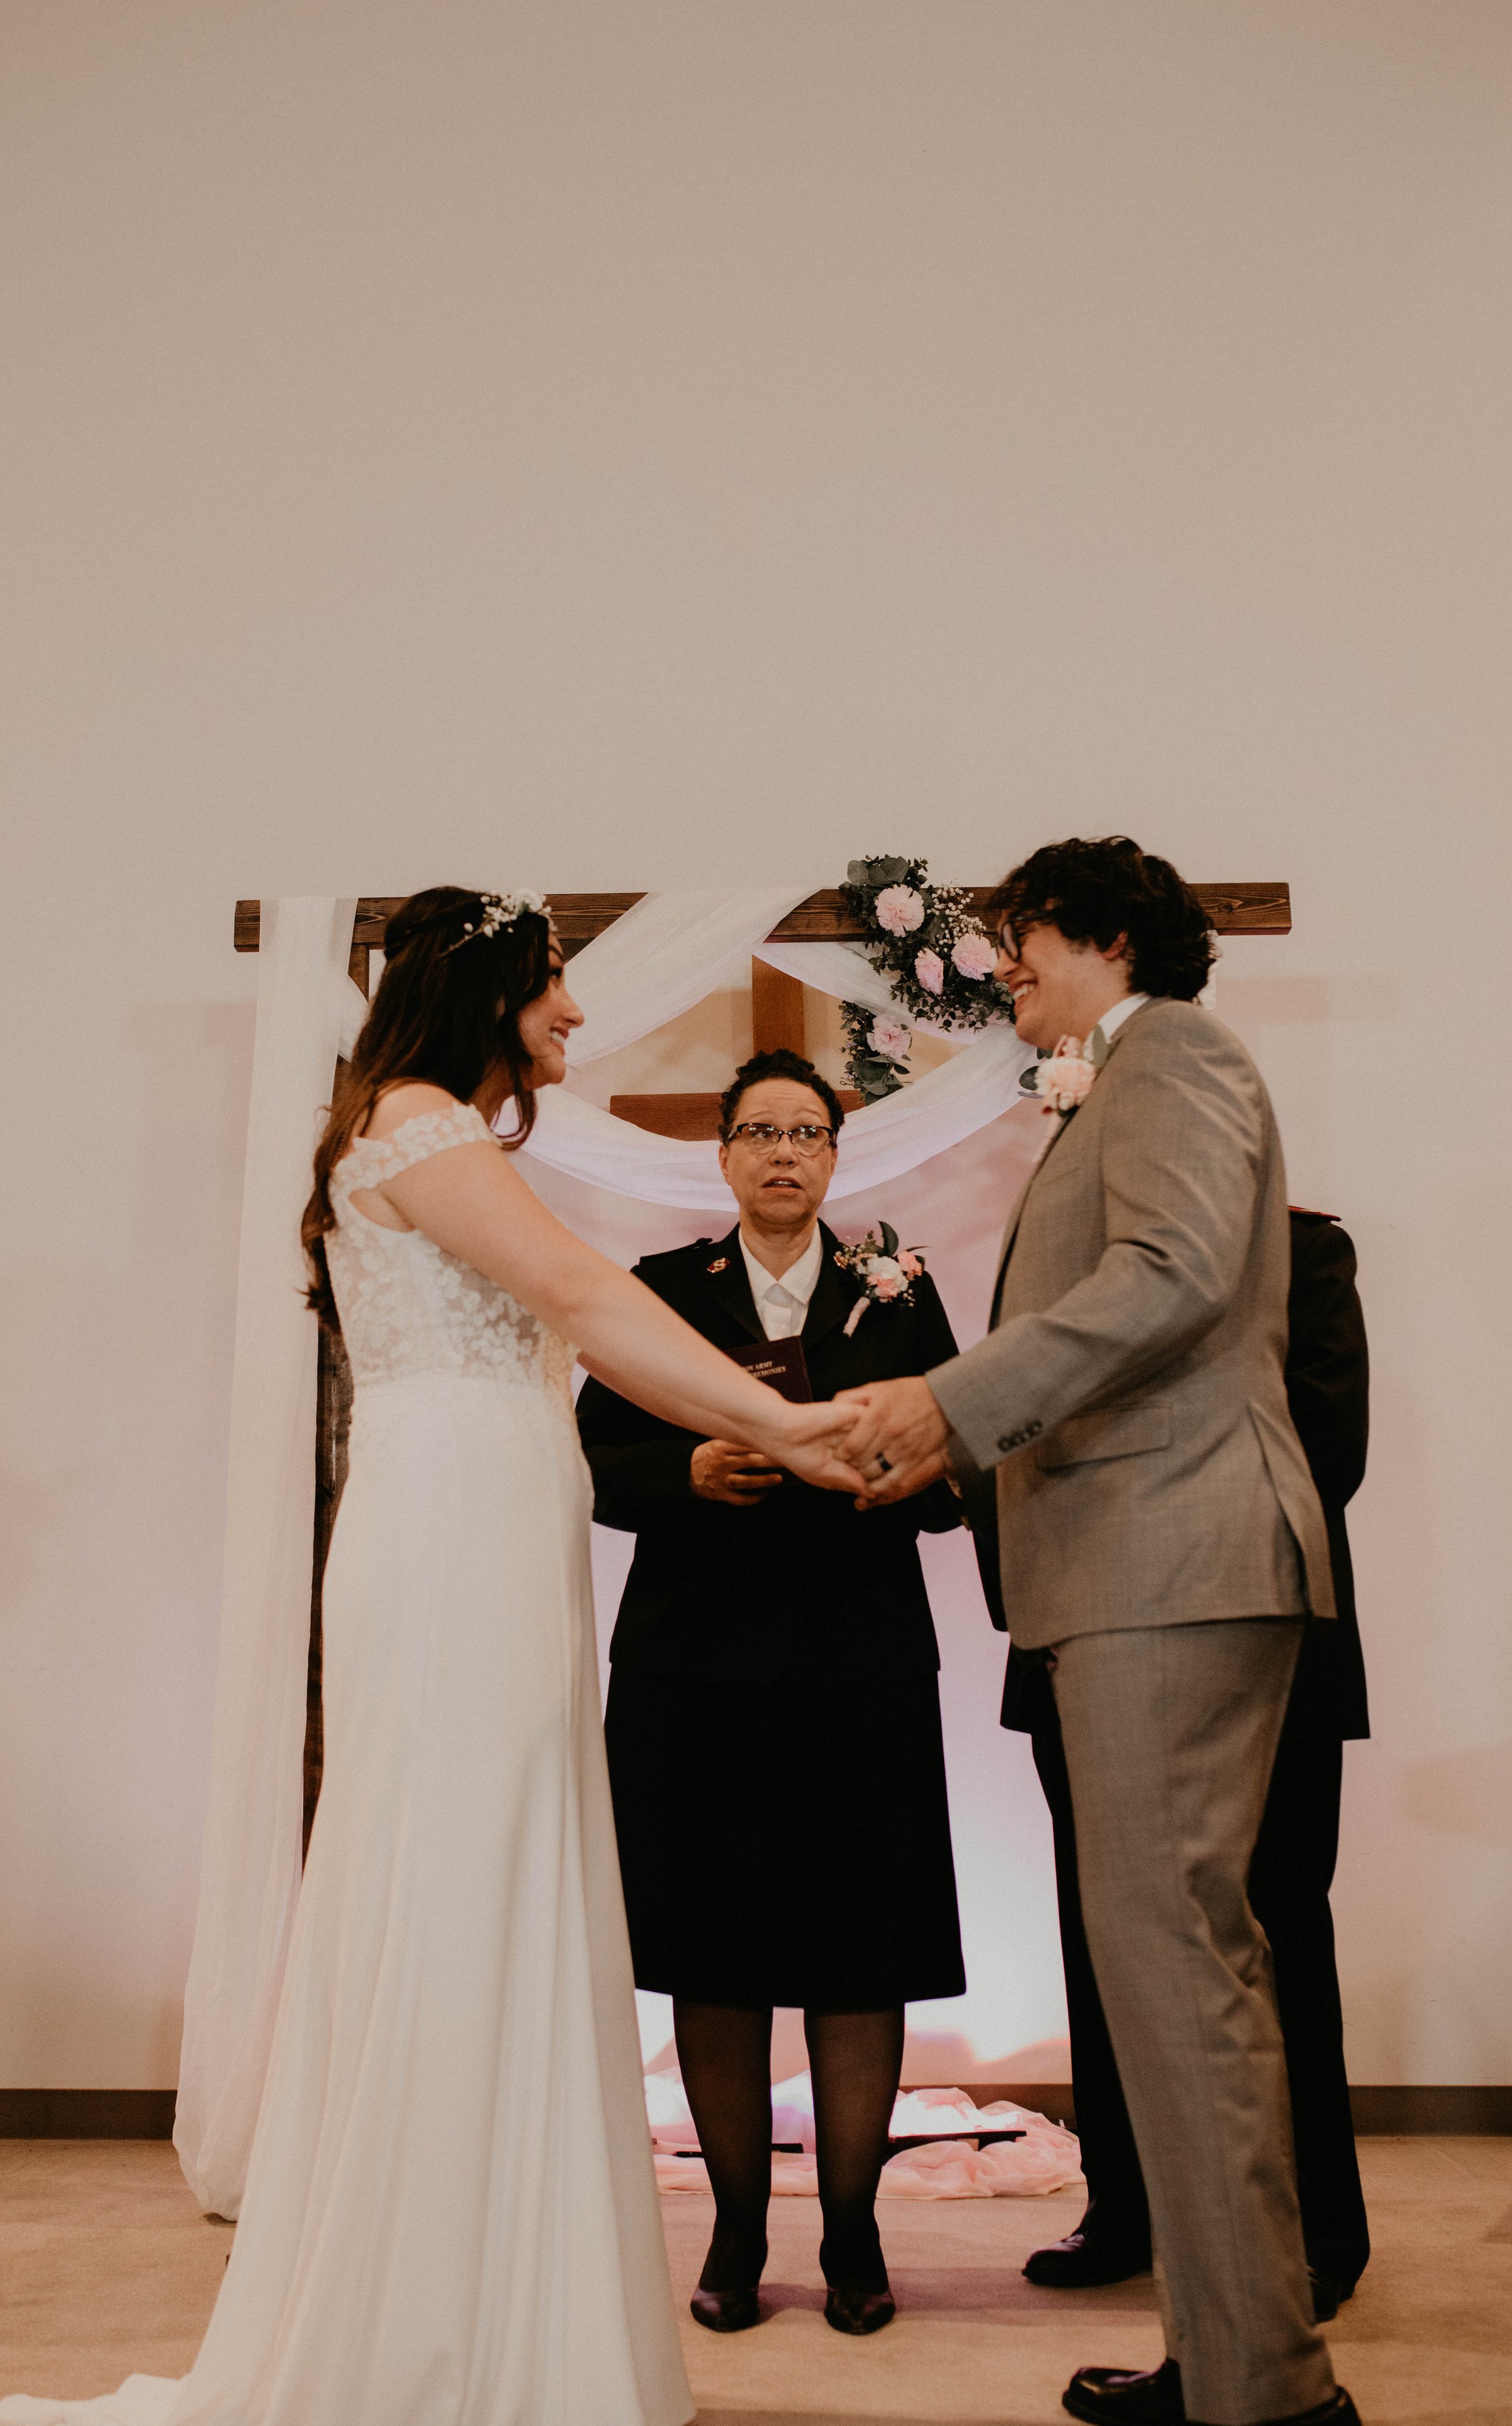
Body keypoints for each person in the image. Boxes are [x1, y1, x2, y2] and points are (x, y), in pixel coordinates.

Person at [0, 890, 860, 2426]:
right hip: (455, 1540)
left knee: (503, 1868)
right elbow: (588, 1302)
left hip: (485, 1530)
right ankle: (436, 2326)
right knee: (457, 1876)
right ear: (479, 991)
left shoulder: (426, 1130)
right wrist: (779, 1418)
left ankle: (511, 2305)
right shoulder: (414, 1127)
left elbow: (571, 1320)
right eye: (551, 989)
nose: (575, 1019)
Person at [836, 838, 1360, 2426]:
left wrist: (952, 1401)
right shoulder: (1109, 1078)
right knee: (1166, 1981)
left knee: (1179, 1975)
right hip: (1141, 1571)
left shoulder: (1176, 1052)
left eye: (1020, 940)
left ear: (1104, 938)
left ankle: (1267, 2395)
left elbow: (1175, 1273)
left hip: (1174, 1564)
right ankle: (1229, 2358)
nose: (1004, 968)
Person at [576, 1050, 967, 2340]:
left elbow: (961, 1450)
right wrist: (679, 1474)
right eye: (756, 1132)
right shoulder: (659, 1290)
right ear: (724, 1154)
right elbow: (593, 1453)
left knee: (862, 1958)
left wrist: (899, 1473)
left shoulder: (894, 1288)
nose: (781, 1152)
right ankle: (737, 2228)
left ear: (834, 1155)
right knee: (717, 1957)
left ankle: (852, 2231)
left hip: (858, 1664)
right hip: (696, 1671)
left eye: (805, 1131)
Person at [971, 1206, 1371, 2319]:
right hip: (1078, 1637)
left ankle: (1313, 2231)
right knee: (1105, 1932)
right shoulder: (1057, 1255)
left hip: (1258, 1643)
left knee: (1276, 1930)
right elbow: (1003, 1427)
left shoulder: (1303, 1248)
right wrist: (1035, 1589)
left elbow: (1326, 1450)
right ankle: (1126, 2206)